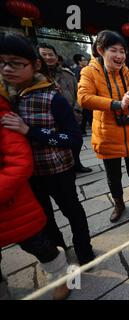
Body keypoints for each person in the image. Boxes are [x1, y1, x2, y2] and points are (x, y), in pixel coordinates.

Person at [0, 32, 95, 266]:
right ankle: (59, 253)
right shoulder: (5, 98)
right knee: (43, 218)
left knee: (72, 210)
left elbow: (73, 138)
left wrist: (30, 131)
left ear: (35, 65)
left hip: (57, 170)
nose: (7, 69)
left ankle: (84, 249)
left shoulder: (52, 97)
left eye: (16, 63)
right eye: (2, 62)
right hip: (27, 177)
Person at [0, 85, 72, 300]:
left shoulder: (5, 116)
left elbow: (19, 162)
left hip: (13, 203)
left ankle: (60, 275)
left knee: (37, 243)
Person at [77, 30, 129, 223]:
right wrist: (115, 104)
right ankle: (119, 204)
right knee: (113, 176)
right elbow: (83, 98)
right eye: (114, 50)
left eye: (122, 51)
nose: (120, 56)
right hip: (107, 134)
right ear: (100, 50)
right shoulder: (89, 72)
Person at [37, 43, 92, 173]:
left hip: (72, 115)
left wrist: (78, 109)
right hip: (49, 119)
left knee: (76, 141)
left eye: (51, 54)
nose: (48, 57)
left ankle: (76, 163)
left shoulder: (68, 74)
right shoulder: (35, 77)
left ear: (56, 57)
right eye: (44, 54)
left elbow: (78, 93)